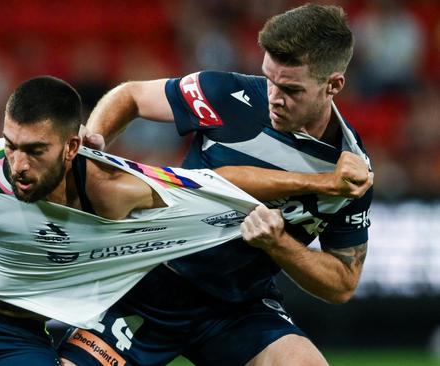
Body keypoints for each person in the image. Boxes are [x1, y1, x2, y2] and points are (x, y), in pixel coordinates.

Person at [0, 75, 369, 365]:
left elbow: (224, 182)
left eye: (35, 150)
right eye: (11, 146)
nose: (18, 164)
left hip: (20, 334)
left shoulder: (117, 192)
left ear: (72, 147)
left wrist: (324, 184)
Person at [59, 4, 373, 366]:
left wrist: (280, 245)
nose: (273, 97)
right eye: (269, 79)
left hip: (237, 308)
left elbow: (343, 281)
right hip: (147, 280)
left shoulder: (351, 171)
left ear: (333, 84)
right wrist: (97, 135)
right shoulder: (227, 95)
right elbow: (131, 95)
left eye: (290, 89)